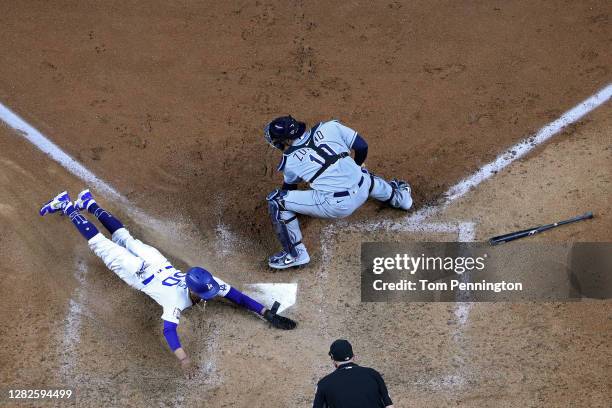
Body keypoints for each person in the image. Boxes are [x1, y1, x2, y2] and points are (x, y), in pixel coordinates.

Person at [40, 189, 297, 377]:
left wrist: (263, 311)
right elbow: (168, 331)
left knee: (122, 237)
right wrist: (184, 359)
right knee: (102, 244)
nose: (208, 297)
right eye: (204, 296)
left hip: (154, 263)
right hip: (138, 270)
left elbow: (236, 296)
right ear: (194, 290)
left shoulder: (208, 282)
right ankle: (68, 206)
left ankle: (88, 202)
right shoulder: (177, 301)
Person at [263, 116, 413, 269]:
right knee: (361, 173)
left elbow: (289, 188)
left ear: (286, 141)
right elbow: (362, 147)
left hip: (336, 206)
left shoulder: (290, 161)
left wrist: (295, 207)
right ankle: (402, 199)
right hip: (364, 188)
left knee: (277, 201)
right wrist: (357, 166)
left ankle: (296, 255)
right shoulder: (329, 127)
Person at [313, 339, 394, 408]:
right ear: (354, 356)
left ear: (333, 360)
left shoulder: (324, 384)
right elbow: (389, 406)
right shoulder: (373, 374)